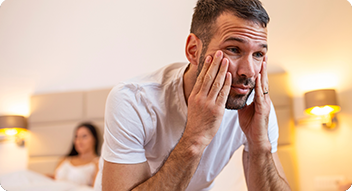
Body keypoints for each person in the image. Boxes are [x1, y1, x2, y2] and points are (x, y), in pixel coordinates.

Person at [95, 0, 291, 190]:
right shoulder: (134, 100)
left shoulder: (256, 106)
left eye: (258, 54)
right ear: (193, 50)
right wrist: (195, 138)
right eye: (233, 49)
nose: (248, 72)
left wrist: (260, 145)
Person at [54, 122, 100, 187]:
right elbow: (55, 180)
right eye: (76, 137)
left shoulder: (98, 163)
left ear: (94, 139)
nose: (79, 140)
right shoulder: (64, 160)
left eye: (84, 136)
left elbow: (96, 188)